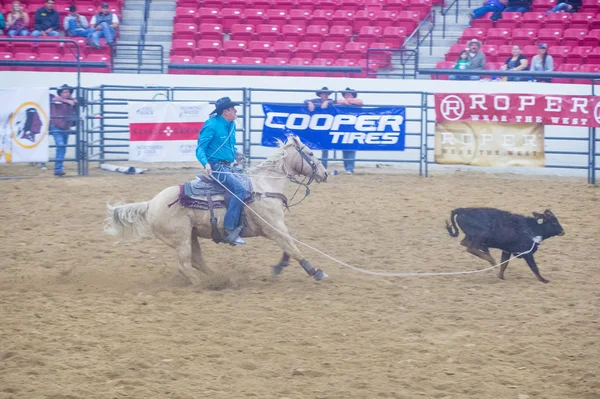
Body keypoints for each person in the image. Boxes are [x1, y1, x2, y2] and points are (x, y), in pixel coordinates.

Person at [195, 97, 247, 246]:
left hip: (227, 165)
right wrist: (206, 164)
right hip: (216, 167)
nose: (236, 111)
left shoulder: (231, 125)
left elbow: (228, 145)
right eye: (233, 109)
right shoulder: (212, 125)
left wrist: (235, 153)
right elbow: (200, 148)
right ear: (225, 111)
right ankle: (229, 229)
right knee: (239, 189)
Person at [49, 84, 78, 176]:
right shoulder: (56, 100)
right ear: (60, 93)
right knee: (61, 145)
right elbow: (54, 99)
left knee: (62, 147)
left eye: (68, 92)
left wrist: (72, 101)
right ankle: (58, 168)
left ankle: (58, 169)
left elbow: (76, 102)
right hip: (56, 126)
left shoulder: (72, 101)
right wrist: (68, 101)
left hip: (66, 127)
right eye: (65, 92)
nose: (67, 93)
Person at [304, 87, 334, 169]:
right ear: (320, 95)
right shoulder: (315, 101)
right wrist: (309, 102)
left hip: (326, 128)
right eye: (324, 93)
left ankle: (324, 166)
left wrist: (327, 102)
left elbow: (333, 102)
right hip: (314, 128)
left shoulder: (330, 101)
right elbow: (305, 101)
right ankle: (308, 164)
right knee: (308, 146)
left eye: (327, 94)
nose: (325, 95)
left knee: (325, 147)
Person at [336, 87, 364, 175]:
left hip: (353, 128)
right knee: (344, 149)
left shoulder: (356, 102)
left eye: (349, 94)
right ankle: (347, 168)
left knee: (351, 149)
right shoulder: (341, 102)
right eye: (346, 94)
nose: (347, 96)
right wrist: (345, 102)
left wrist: (348, 101)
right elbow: (337, 102)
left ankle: (350, 168)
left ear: (353, 95)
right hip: (343, 128)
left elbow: (360, 102)